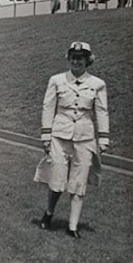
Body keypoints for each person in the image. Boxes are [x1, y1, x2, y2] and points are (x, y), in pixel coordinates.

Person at [34, 42, 109, 239]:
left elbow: (101, 111)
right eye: (73, 57)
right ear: (69, 59)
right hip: (59, 135)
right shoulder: (57, 80)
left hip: (85, 137)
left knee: (79, 181)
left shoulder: (97, 84)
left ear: (88, 61)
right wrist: (46, 135)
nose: (77, 61)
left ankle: (72, 226)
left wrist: (103, 138)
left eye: (81, 58)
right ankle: (49, 213)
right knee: (57, 178)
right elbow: (48, 107)